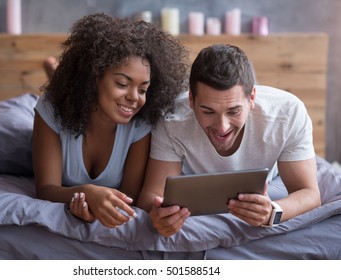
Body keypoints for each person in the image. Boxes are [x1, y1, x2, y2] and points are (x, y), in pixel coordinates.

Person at [137, 44, 321, 237]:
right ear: (191, 100)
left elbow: (309, 193)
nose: (222, 127)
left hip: (271, 177)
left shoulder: (288, 114)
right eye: (208, 111)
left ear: (251, 98)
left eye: (234, 111)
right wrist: (158, 214)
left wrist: (272, 212)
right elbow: (151, 195)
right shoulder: (171, 120)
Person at [32, 13, 189, 228]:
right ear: (94, 76)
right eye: (122, 84)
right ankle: (55, 72)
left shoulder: (141, 124)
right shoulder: (51, 108)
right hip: (69, 106)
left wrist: (93, 207)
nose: (134, 97)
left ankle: (56, 72)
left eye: (143, 89)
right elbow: (46, 189)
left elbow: (128, 198)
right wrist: (85, 193)